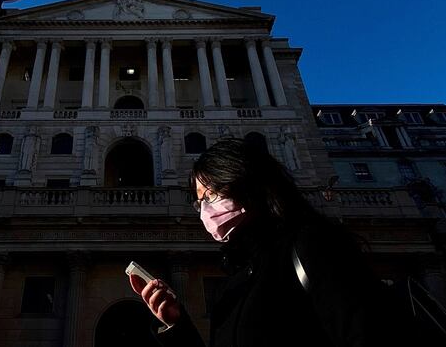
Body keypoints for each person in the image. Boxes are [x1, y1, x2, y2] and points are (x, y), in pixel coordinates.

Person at [129, 138, 414, 347]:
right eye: (200, 200)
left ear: (247, 183)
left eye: (212, 193)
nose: (205, 208)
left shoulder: (310, 247)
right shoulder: (235, 282)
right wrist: (177, 324)